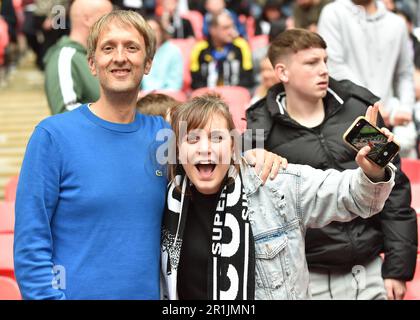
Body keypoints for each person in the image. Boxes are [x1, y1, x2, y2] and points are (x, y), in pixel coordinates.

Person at [14, 10, 283, 300]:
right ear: (92, 63)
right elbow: (31, 245)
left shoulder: (166, 135)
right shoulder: (53, 136)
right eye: (108, 48)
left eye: (131, 47)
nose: (120, 57)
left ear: (148, 63)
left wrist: (254, 154)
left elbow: (214, 155)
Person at [161, 93, 395, 300]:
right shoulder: (163, 200)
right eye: (192, 139)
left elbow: (354, 196)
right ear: (178, 150)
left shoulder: (273, 183)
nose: (205, 149)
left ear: (234, 145)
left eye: (217, 138)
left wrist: (373, 170)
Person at [246, 29, 418, 300]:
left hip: (368, 267)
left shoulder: (358, 109)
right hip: (305, 275)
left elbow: (395, 192)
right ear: (282, 72)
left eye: (325, 60)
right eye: (311, 63)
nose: (324, 70)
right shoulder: (260, 129)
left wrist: (397, 268)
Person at [318, 0, 417, 158]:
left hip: (389, 118)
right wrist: (374, 105)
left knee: (392, 171)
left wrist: (404, 108)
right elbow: (334, 66)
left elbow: (404, 73)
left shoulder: (397, 23)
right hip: (348, 118)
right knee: (362, 171)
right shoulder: (333, 13)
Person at [43, 0, 113, 114]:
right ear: (87, 20)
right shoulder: (65, 57)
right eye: (108, 17)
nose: (114, 24)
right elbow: (66, 113)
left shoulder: (101, 55)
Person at [190, 11, 254, 89]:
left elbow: (248, 79)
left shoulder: (241, 46)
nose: (231, 31)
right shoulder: (199, 49)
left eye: (232, 27)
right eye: (226, 28)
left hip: (235, 96)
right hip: (207, 98)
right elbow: (196, 81)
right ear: (212, 30)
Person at [141, 17, 183, 91]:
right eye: (148, 31)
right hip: (144, 95)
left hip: (167, 95)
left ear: (161, 32)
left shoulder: (173, 50)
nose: (152, 34)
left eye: (154, 30)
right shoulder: (141, 51)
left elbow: (175, 84)